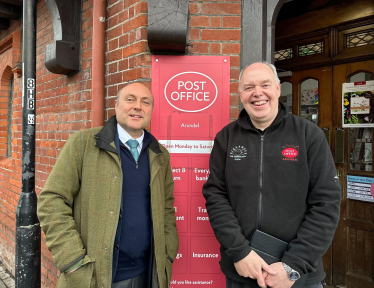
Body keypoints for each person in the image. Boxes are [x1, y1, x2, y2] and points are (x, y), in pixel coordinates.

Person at [202, 62, 341, 288]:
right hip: (243, 270)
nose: (258, 93)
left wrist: (292, 265)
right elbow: (216, 196)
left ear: (277, 88)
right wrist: (239, 252)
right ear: (240, 94)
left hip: (298, 275)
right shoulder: (226, 138)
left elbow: (326, 203)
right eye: (249, 87)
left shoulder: (308, 135)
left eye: (265, 85)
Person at [37, 83, 179, 288]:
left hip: (147, 274)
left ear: (151, 111)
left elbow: (166, 207)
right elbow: (51, 200)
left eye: (145, 102)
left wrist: (168, 253)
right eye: (130, 99)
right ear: (116, 105)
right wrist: (73, 261)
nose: (138, 106)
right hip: (93, 276)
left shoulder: (159, 154)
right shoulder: (83, 143)